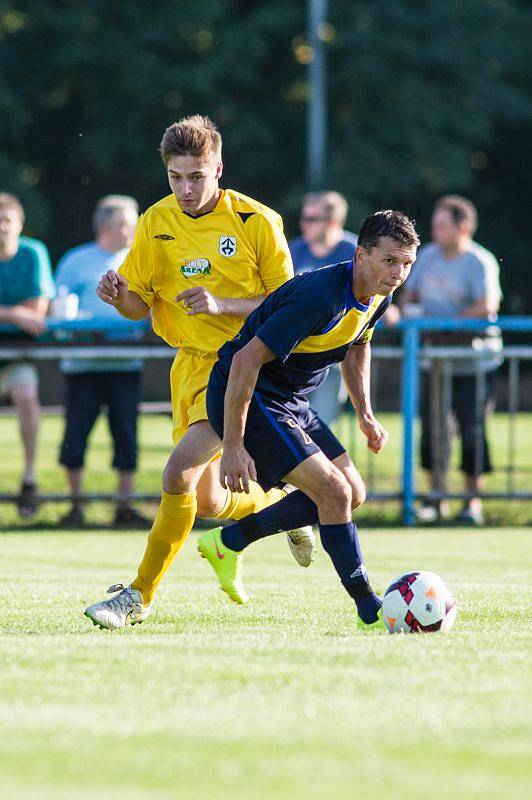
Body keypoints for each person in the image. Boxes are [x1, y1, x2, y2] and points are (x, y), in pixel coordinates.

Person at [84, 115, 315, 629]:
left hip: (244, 365)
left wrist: (222, 304)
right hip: (188, 368)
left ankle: (137, 597)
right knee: (208, 500)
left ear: (218, 169)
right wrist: (120, 297)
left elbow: (288, 307)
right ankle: (286, 502)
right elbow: (139, 307)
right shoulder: (155, 221)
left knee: (176, 474)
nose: (186, 188)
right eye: (176, 177)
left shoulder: (256, 221)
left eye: (197, 176)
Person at [196, 210, 419, 625]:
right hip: (252, 391)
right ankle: (368, 608)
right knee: (333, 493)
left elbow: (356, 346)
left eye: (407, 263)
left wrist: (366, 414)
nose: (399, 273)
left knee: (352, 492)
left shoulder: (379, 293)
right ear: (361, 255)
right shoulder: (319, 297)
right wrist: (233, 444)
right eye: (390, 261)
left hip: (288, 399)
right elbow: (245, 361)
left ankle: (230, 541)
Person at [400, 195, 502, 525]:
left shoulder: (480, 261)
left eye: (442, 224)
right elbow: (408, 293)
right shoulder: (427, 256)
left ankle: (472, 502)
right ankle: (436, 497)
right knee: (433, 430)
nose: (435, 230)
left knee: (472, 430)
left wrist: (447, 326)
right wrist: (409, 311)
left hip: (473, 361)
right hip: (434, 361)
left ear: (462, 227)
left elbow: (487, 304)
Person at [55, 195, 151, 529]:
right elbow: (59, 306)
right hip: (83, 366)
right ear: (108, 226)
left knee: (126, 436)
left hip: (125, 364)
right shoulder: (75, 260)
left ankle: (124, 506)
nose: (135, 229)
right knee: (75, 436)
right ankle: (75, 505)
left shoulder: (140, 258)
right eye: (129, 222)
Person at [0, 193, 54, 516]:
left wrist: (16, 317)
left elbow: (36, 318)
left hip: (19, 354)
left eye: (7, 220)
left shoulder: (34, 254)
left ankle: (29, 477)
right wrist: (13, 314)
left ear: (20, 225)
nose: (1, 227)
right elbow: (25, 315)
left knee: (27, 394)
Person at [289, 192, 359, 424]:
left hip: (333, 356)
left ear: (332, 222)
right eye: (304, 218)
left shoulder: (356, 253)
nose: (303, 224)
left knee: (319, 426)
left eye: (311, 219)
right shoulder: (294, 250)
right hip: (292, 353)